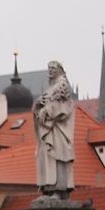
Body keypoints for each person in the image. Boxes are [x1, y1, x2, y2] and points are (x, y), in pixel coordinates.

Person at [34, 60, 76, 198]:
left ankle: (59, 189)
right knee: (48, 156)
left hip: (58, 130)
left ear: (60, 69)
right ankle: (49, 188)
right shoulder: (50, 88)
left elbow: (63, 109)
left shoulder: (62, 85)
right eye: (49, 68)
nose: (50, 70)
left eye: (53, 68)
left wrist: (46, 111)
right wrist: (37, 106)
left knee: (58, 156)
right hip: (48, 129)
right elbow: (41, 106)